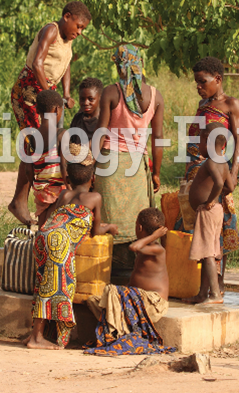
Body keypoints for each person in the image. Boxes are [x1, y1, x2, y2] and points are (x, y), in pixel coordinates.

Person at [25, 150, 119, 350]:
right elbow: (95, 230)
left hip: (43, 236)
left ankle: (35, 334)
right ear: (93, 178)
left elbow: (59, 219)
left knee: (43, 284)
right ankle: (36, 338)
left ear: (68, 178)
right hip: (59, 242)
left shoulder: (65, 194)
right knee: (54, 288)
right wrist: (110, 228)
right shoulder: (94, 197)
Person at [8, 1, 92, 225]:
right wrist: (49, 96)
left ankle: (45, 196)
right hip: (29, 90)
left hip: (49, 93)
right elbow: (37, 63)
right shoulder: (52, 30)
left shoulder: (68, 40)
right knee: (34, 143)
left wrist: (65, 93)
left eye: (83, 29)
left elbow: (66, 65)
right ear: (67, 17)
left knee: (48, 145)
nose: (79, 32)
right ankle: (20, 200)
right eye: (79, 26)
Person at [95, 45, 164, 273]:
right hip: (137, 165)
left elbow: (101, 131)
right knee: (137, 219)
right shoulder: (155, 96)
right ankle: (135, 270)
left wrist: (91, 165)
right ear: (140, 64)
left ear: (119, 67)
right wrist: (156, 173)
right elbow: (158, 138)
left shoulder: (111, 92)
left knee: (109, 215)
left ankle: (108, 271)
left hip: (110, 165)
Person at [177, 56, 239, 291]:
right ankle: (201, 284)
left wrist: (232, 176)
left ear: (217, 79)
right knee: (195, 228)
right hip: (194, 172)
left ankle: (217, 283)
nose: (198, 87)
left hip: (215, 173)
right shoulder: (202, 106)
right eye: (196, 82)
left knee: (215, 229)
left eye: (202, 82)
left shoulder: (231, 105)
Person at [84, 208, 175, 356]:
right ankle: (122, 329)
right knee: (93, 300)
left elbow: (133, 247)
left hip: (154, 303)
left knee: (111, 290)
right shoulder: (147, 247)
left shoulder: (157, 249)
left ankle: (120, 332)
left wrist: (153, 236)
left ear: (139, 227)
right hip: (139, 301)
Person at [183, 124, 235, 305]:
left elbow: (220, 184)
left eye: (201, 142)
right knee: (209, 252)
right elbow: (230, 186)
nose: (199, 147)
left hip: (208, 211)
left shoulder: (211, 162)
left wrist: (211, 199)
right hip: (216, 211)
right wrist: (217, 197)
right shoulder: (223, 162)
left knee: (207, 254)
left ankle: (214, 295)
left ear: (208, 142)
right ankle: (202, 294)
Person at [26, 90, 68, 228]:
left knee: (42, 226)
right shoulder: (62, 135)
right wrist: (70, 188)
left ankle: (40, 246)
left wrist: (35, 184)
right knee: (54, 227)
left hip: (41, 192)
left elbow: (29, 169)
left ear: (38, 110)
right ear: (57, 109)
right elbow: (64, 167)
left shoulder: (32, 138)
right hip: (57, 191)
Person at [69, 77, 103, 142]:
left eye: (91, 99)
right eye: (82, 99)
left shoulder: (104, 120)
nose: (85, 103)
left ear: (100, 98)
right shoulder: (77, 119)